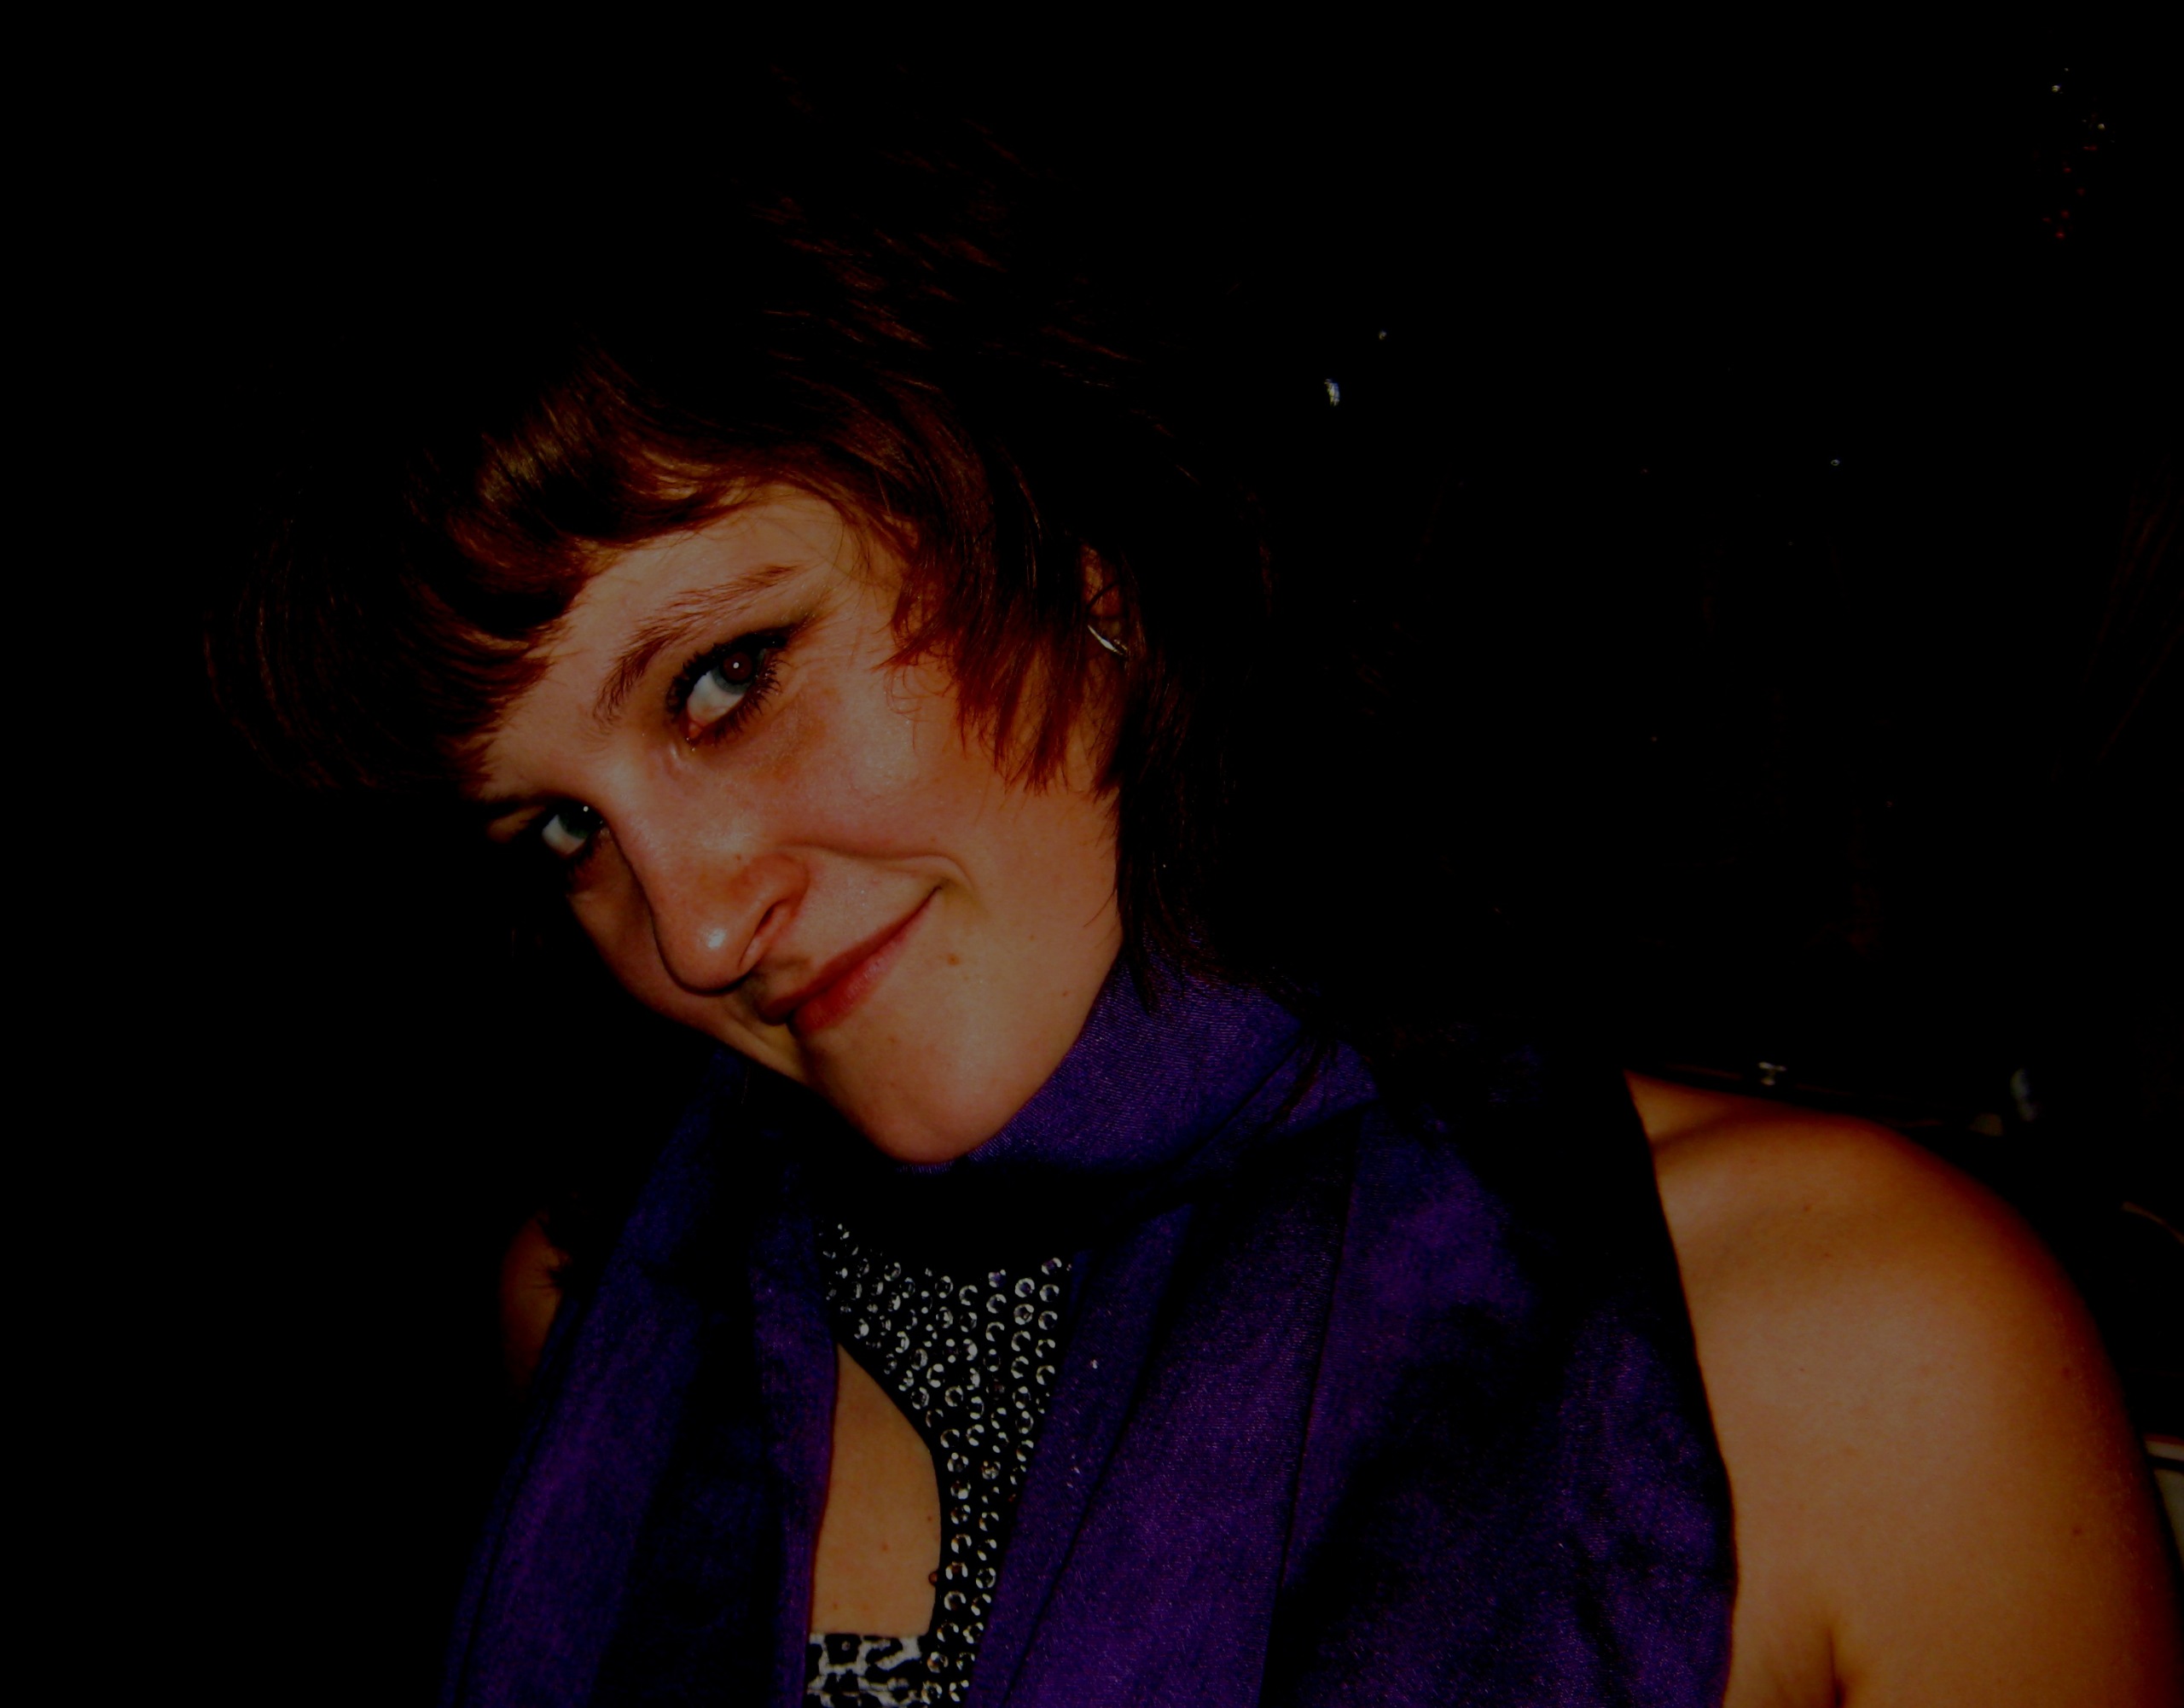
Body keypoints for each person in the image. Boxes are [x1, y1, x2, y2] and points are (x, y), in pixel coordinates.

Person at [211, 96, 2181, 1708]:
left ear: (1077, 537)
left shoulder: (1840, 1340)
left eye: (727, 676)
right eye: (560, 832)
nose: (695, 928)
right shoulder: (615, 1314)